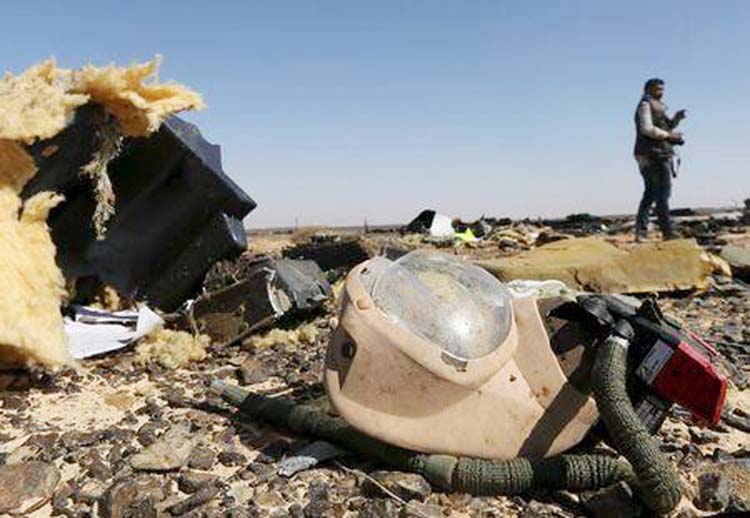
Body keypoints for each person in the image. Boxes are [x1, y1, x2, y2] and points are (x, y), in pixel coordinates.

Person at [633, 78, 686, 241]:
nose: (660, 92)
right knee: (662, 192)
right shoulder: (645, 104)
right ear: (647, 89)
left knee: (650, 193)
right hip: (652, 154)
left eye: (662, 90)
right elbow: (647, 129)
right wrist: (670, 136)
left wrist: (676, 120)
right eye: (657, 89)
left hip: (653, 153)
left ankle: (641, 232)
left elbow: (664, 127)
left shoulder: (656, 105)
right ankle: (668, 231)